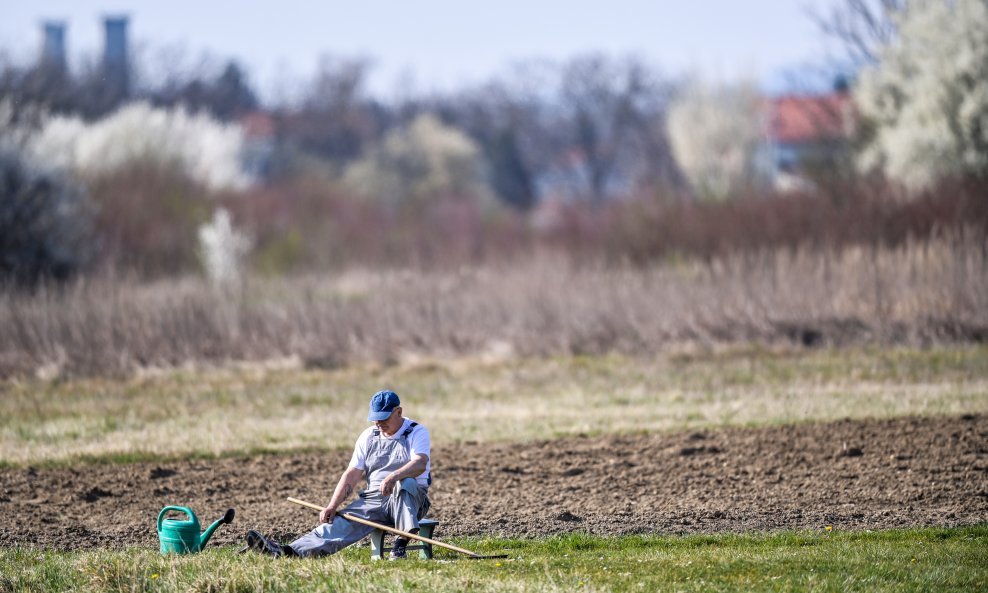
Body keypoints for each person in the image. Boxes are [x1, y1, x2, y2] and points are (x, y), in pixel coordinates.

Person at [246, 390, 432, 559]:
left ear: (398, 412)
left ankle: (400, 546)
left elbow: (420, 463)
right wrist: (332, 505)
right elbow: (352, 473)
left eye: (384, 418)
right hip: (375, 500)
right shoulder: (368, 436)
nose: (379, 423)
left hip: (412, 500)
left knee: (405, 483)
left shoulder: (416, 431)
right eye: (375, 419)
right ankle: (288, 552)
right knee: (338, 524)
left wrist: (393, 477)